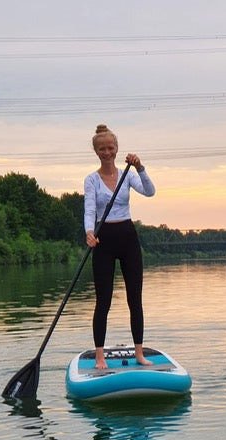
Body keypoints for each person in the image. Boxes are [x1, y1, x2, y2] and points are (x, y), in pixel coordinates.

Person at [84, 124, 156, 369]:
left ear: (116, 149)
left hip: (127, 237)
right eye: (102, 149)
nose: (107, 152)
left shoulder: (128, 174)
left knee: (135, 299)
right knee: (102, 301)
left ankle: (139, 353)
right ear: (96, 151)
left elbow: (150, 192)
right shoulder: (91, 180)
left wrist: (140, 167)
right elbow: (90, 209)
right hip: (103, 239)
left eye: (111, 148)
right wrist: (89, 232)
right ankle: (100, 356)